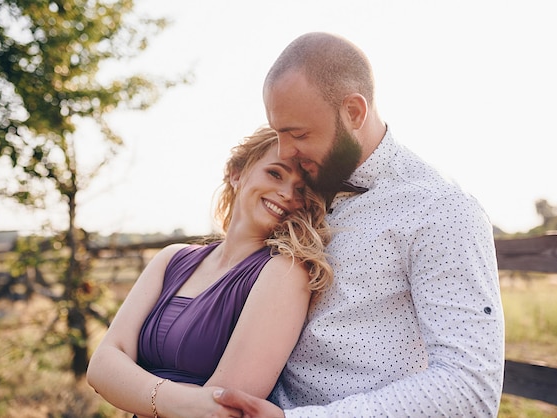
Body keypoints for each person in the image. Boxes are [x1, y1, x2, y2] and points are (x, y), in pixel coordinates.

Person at [213, 32, 505, 417]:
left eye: (298, 134)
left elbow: (470, 389)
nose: (285, 151)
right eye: (278, 132)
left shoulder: (440, 210)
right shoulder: (299, 194)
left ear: (353, 112)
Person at [86, 126, 333, 418]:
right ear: (237, 172)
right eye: (275, 174)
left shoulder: (285, 272)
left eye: (301, 189)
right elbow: (101, 365)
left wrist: (133, 388)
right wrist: (176, 401)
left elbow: (222, 409)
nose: (287, 193)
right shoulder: (172, 259)